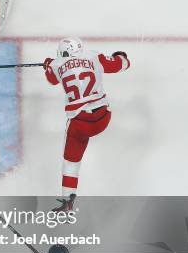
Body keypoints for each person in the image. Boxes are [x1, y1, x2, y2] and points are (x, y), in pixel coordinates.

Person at [43, 38, 130, 211]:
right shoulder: (93, 56)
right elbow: (122, 65)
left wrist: (48, 65)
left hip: (80, 124)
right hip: (102, 118)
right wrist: (120, 56)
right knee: (99, 106)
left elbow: (51, 79)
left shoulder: (57, 65)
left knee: (71, 162)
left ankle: (67, 201)